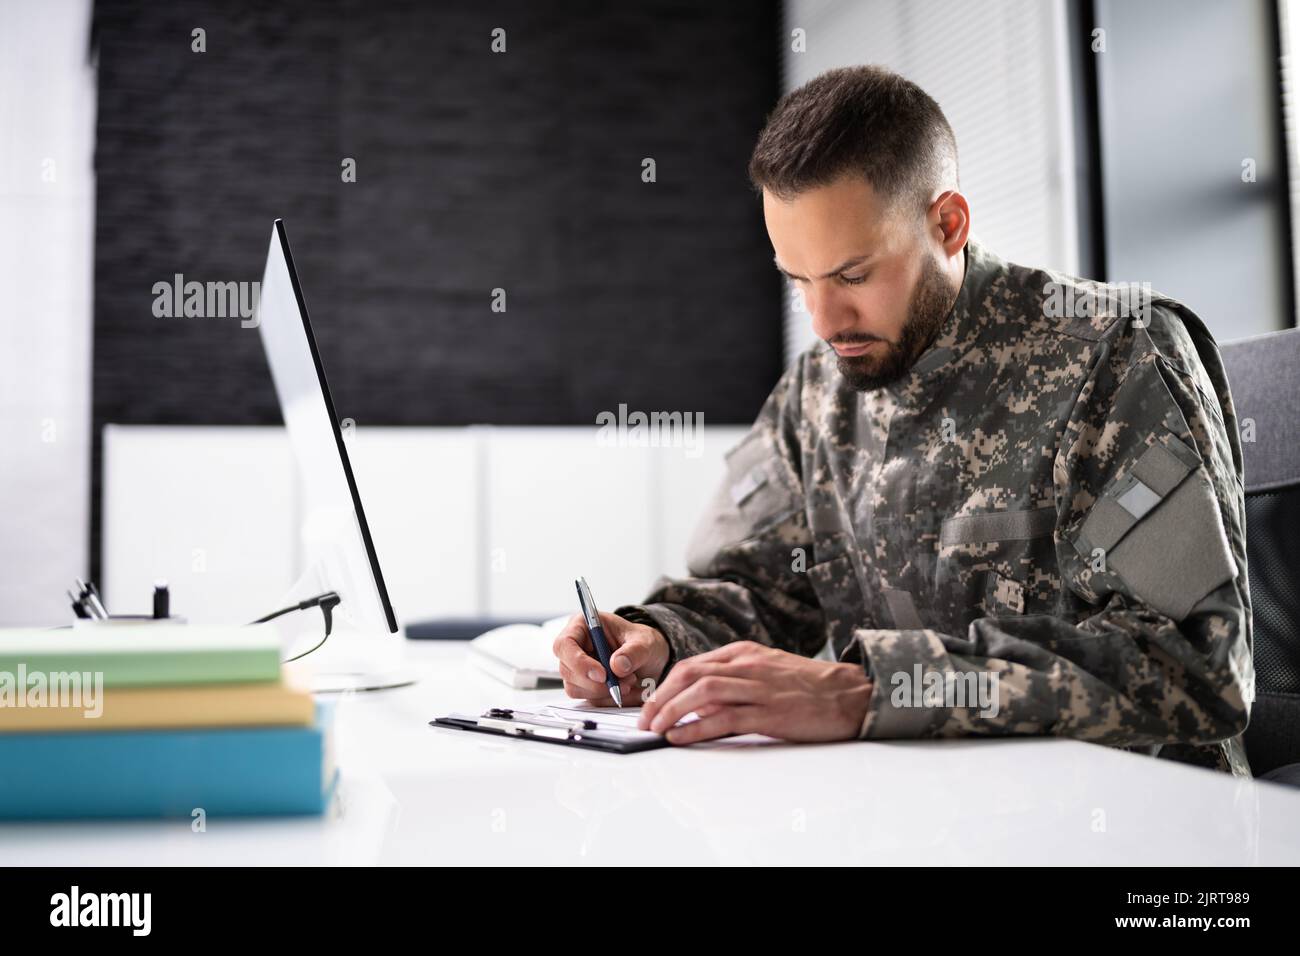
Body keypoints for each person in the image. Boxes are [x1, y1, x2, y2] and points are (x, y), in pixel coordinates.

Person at [552, 65, 1252, 775]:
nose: (824, 322)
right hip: (914, 815)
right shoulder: (816, 392)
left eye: (854, 276)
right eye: (799, 280)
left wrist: (870, 690)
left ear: (947, 225)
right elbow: (762, 590)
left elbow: (1194, 661)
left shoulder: (1113, 351)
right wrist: (656, 638)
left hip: (1131, 824)